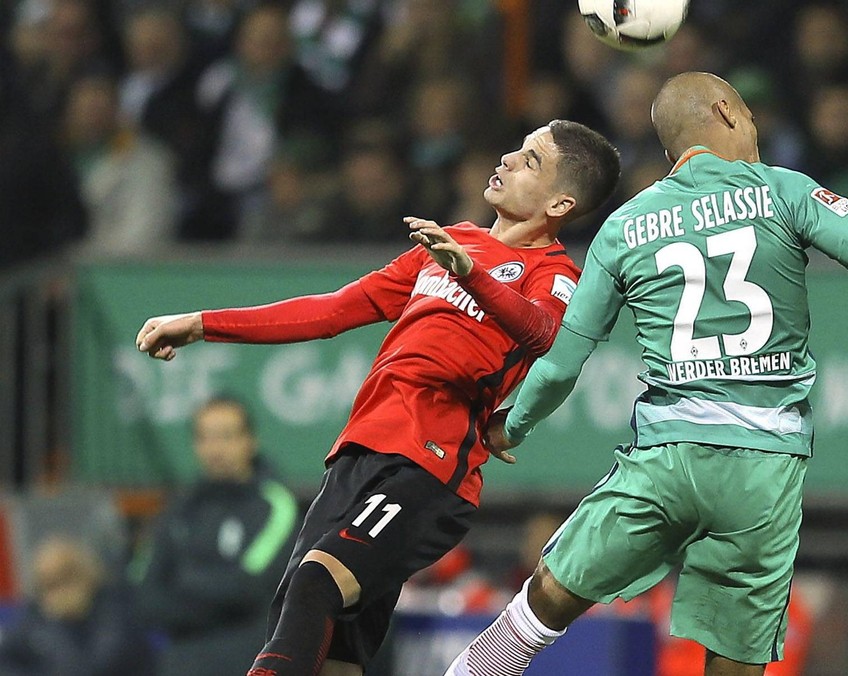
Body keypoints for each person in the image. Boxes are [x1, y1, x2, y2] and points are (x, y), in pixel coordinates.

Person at [443, 72, 848, 676]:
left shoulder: (624, 227)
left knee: (549, 594)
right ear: (725, 113)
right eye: (748, 116)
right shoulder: (781, 191)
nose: (754, 129)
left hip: (667, 457)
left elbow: (559, 364)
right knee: (738, 657)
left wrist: (512, 425)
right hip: (762, 467)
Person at [133, 119, 621, 676]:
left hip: (430, 470)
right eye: (517, 149)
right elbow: (332, 310)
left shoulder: (553, 272)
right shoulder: (449, 244)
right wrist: (201, 323)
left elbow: (545, 335)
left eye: (531, 160)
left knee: (317, 582)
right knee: (335, 651)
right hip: (355, 458)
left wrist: (471, 275)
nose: (509, 158)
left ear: (561, 203)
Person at [130, 396, 299, 676]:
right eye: (204, 438)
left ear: (250, 441)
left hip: (251, 661)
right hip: (182, 663)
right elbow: (144, 594)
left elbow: (252, 587)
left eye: (226, 436)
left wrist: (185, 580)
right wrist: (216, 593)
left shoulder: (276, 506)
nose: (215, 449)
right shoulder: (179, 511)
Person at [0, 537, 154, 676]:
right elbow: (7, 660)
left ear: (84, 573)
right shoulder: (35, 615)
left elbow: (93, 666)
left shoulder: (114, 608)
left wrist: (60, 624)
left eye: (65, 578)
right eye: (49, 584)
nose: (59, 591)